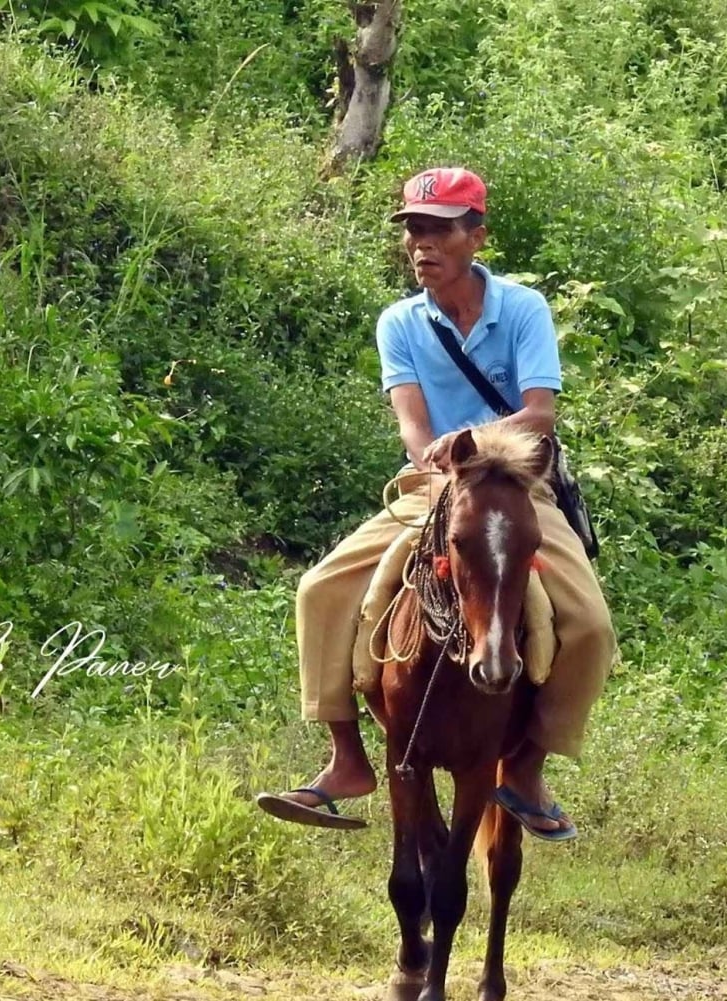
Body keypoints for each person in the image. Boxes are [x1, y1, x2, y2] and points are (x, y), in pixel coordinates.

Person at [255, 167, 617, 841]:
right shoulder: (399, 322)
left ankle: (530, 766)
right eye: (414, 230)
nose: (422, 244)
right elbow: (412, 427)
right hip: (434, 484)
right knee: (318, 588)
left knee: (591, 625)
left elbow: (539, 414)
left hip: (518, 485)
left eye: (439, 229)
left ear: (475, 236)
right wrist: (440, 460)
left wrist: (480, 442)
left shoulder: (524, 308)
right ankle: (347, 759)